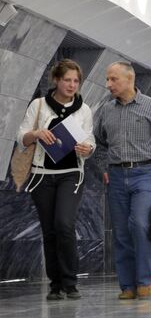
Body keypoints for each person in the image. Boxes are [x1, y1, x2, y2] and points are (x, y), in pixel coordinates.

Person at [16, 59, 95, 300]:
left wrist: (87, 149)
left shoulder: (84, 109)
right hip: (42, 176)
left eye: (76, 81)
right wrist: (36, 133)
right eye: (67, 80)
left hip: (71, 175)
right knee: (50, 230)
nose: (72, 85)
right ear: (56, 80)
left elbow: (90, 140)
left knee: (64, 224)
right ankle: (55, 284)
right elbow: (21, 138)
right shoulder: (39, 105)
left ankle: (70, 283)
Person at [94, 61, 151, 300]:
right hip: (117, 175)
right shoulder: (106, 110)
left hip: (146, 173)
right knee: (120, 232)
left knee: (139, 224)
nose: (108, 84)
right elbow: (99, 144)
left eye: (113, 79)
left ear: (129, 79)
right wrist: (102, 167)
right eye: (107, 79)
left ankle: (144, 281)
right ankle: (127, 286)